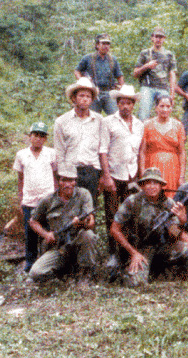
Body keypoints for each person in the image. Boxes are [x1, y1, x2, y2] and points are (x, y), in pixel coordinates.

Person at [110, 168, 188, 286]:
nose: (151, 186)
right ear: (142, 185)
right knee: (135, 283)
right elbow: (114, 229)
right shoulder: (132, 201)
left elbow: (172, 230)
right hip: (138, 248)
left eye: (155, 183)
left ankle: (161, 268)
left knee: (185, 247)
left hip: (160, 246)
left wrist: (181, 224)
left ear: (161, 186)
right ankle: (125, 269)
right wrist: (133, 253)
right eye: (148, 182)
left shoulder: (169, 203)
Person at [28, 164, 97, 282]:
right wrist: (46, 235)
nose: (68, 184)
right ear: (58, 181)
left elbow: (90, 223)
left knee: (88, 235)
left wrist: (81, 224)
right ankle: (62, 274)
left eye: (71, 180)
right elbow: (33, 221)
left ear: (75, 181)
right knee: (35, 273)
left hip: (78, 242)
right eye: (64, 180)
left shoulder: (83, 194)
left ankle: (86, 275)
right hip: (58, 247)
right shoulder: (48, 200)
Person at [54, 77, 108, 208]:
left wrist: (103, 175)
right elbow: (59, 152)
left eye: (88, 96)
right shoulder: (62, 121)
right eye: (81, 95)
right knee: (69, 210)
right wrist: (61, 177)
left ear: (92, 99)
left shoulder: (99, 120)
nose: (85, 99)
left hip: (91, 171)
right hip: (70, 172)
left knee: (89, 210)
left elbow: (102, 149)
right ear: (74, 98)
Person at [13, 121, 58, 272]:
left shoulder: (51, 153)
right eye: (35, 135)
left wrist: (56, 195)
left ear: (45, 138)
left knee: (47, 229)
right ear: (30, 136)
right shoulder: (21, 155)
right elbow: (20, 178)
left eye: (41, 136)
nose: (38, 139)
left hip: (48, 198)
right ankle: (30, 262)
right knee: (30, 232)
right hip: (29, 199)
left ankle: (46, 261)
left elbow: (55, 174)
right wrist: (21, 198)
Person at [102, 85, 144, 234]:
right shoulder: (108, 122)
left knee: (132, 213)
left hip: (132, 175)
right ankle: (114, 252)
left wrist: (141, 176)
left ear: (133, 104)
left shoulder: (139, 125)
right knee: (112, 215)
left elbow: (141, 152)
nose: (125, 106)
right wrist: (106, 177)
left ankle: (129, 250)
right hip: (114, 174)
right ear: (117, 103)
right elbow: (103, 151)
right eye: (122, 103)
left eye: (129, 103)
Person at [139, 94, 186, 198]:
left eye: (168, 106)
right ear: (156, 108)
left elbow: (182, 152)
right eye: (162, 106)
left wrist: (181, 175)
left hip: (172, 168)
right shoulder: (147, 125)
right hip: (152, 166)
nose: (165, 109)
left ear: (171, 108)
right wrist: (142, 173)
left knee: (170, 197)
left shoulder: (178, 125)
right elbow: (142, 151)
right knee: (151, 196)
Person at [133, 27, 177, 120]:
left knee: (165, 114)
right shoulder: (144, 53)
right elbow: (135, 74)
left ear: (164, 39)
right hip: (147, 87)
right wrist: (146, 66)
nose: (158, 39)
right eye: (156, 36)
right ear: (152, 38)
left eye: (161, 37)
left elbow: (172, 75)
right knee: (144, 115)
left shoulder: (169, 54)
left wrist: (172, 95)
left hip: (163, 88)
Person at [74, 33, 124, 115]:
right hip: (93, 92)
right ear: (97, 45)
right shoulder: (88, 58)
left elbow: (119, 76)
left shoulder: (113, 59)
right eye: (103, 43)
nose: (106, 46)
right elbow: (77, 71)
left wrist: (122, 91)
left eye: (108, 44)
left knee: (115, 116)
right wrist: (82, 81)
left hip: (109, 93)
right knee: (92, 117)